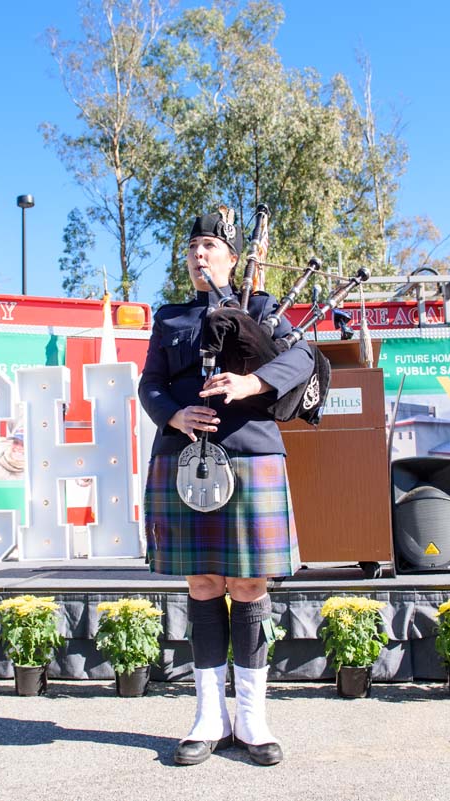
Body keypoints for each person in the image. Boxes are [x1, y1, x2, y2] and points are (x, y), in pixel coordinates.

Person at [138, 211, 313, 767]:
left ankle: (254, 721)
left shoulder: (262, 309)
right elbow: (151, 384)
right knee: (204, 581)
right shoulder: (169, 318)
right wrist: (173, 416)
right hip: (186, 459)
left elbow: (306, 358)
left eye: (209, 245)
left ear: (234, 257)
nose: (198, 255)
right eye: (192, 247)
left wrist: (252, 381)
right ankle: (209, 717)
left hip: (251, 452)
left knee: (249, 583)